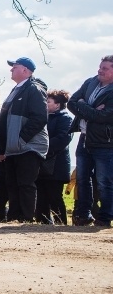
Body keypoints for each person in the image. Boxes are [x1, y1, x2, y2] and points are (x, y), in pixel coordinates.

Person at [0, 57, 48, 223]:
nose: (11, 70)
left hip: (28, 147)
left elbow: (40, 118)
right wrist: (3, 147)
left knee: (25, 183)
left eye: (15, 67)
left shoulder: (34, 89)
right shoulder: (15, 90)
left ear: (25, 70)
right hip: (12, 148)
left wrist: (21, 139)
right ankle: (14, 217)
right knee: (12, 184)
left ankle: (26, 218)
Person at [67, 54, 113, 227]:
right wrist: (90, 110)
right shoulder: (90, 82)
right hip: (84, 138)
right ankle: (83, 214)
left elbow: (102, 116)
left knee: (104, 182)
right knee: (82, 179)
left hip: (105, 143)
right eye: (100, 67)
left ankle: (105, 217)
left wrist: (84, 105)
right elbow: (71, 102)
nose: (99, 70)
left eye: (105, 68)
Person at [35, 90, 73, 224]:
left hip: (56, 164)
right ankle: (43, 222)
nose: (45, 104)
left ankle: (60, 222)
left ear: (57, 105)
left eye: (48, 101)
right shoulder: (43, 117)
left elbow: (63, 138)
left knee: (54, 196)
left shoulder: (65, 118)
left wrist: (43, 147)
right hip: (42, 162)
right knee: (41, 197)